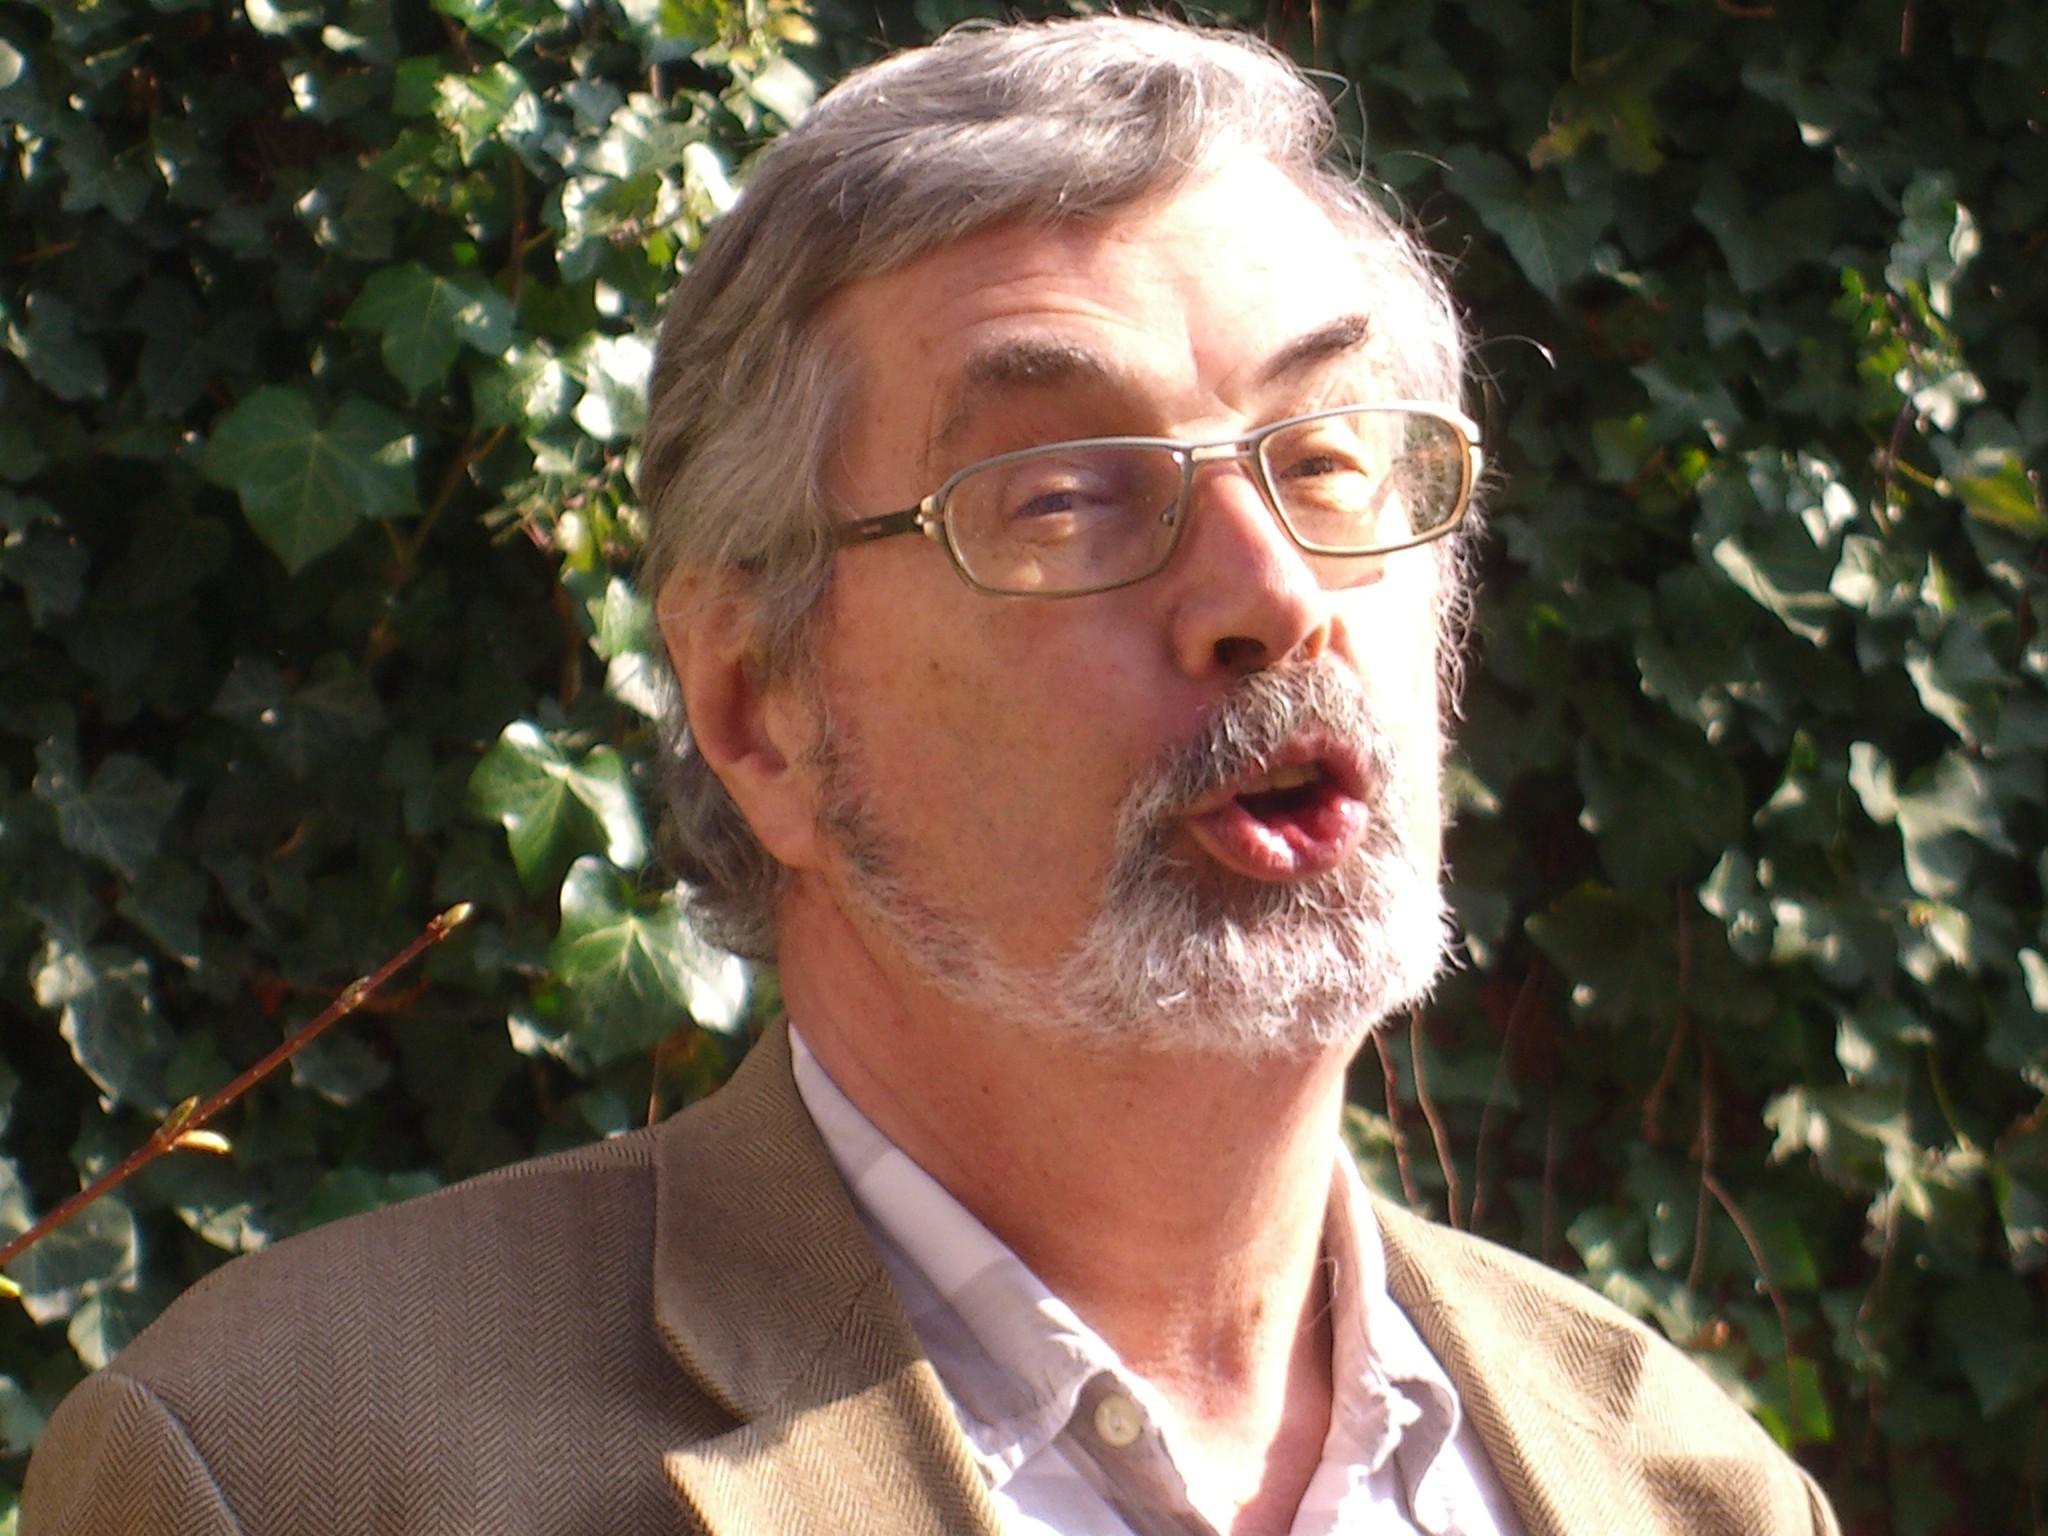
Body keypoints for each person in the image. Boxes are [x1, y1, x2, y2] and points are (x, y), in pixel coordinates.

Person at [23, 17, 1839, 1536]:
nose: (1274, 596)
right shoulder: (288, 1472)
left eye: (1330, 461)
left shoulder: (1689, 1488)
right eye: (1063, 497)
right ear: (758, 710)